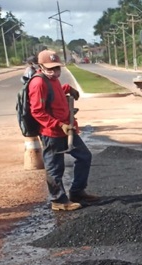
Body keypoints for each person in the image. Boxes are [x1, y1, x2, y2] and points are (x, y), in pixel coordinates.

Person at [29, 49, 97, 211]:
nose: (54, 71)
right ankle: (58, 200)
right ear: (41, 67)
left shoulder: (52, 80)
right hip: (51, 132)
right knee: (55, 167)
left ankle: (77, 191)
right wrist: (59, 125)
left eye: (57, 68)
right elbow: (37, 111)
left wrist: (67, 88)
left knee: (84, 156)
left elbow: (55, 92)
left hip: (66, 130)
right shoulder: (38, 83)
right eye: (50, 68)